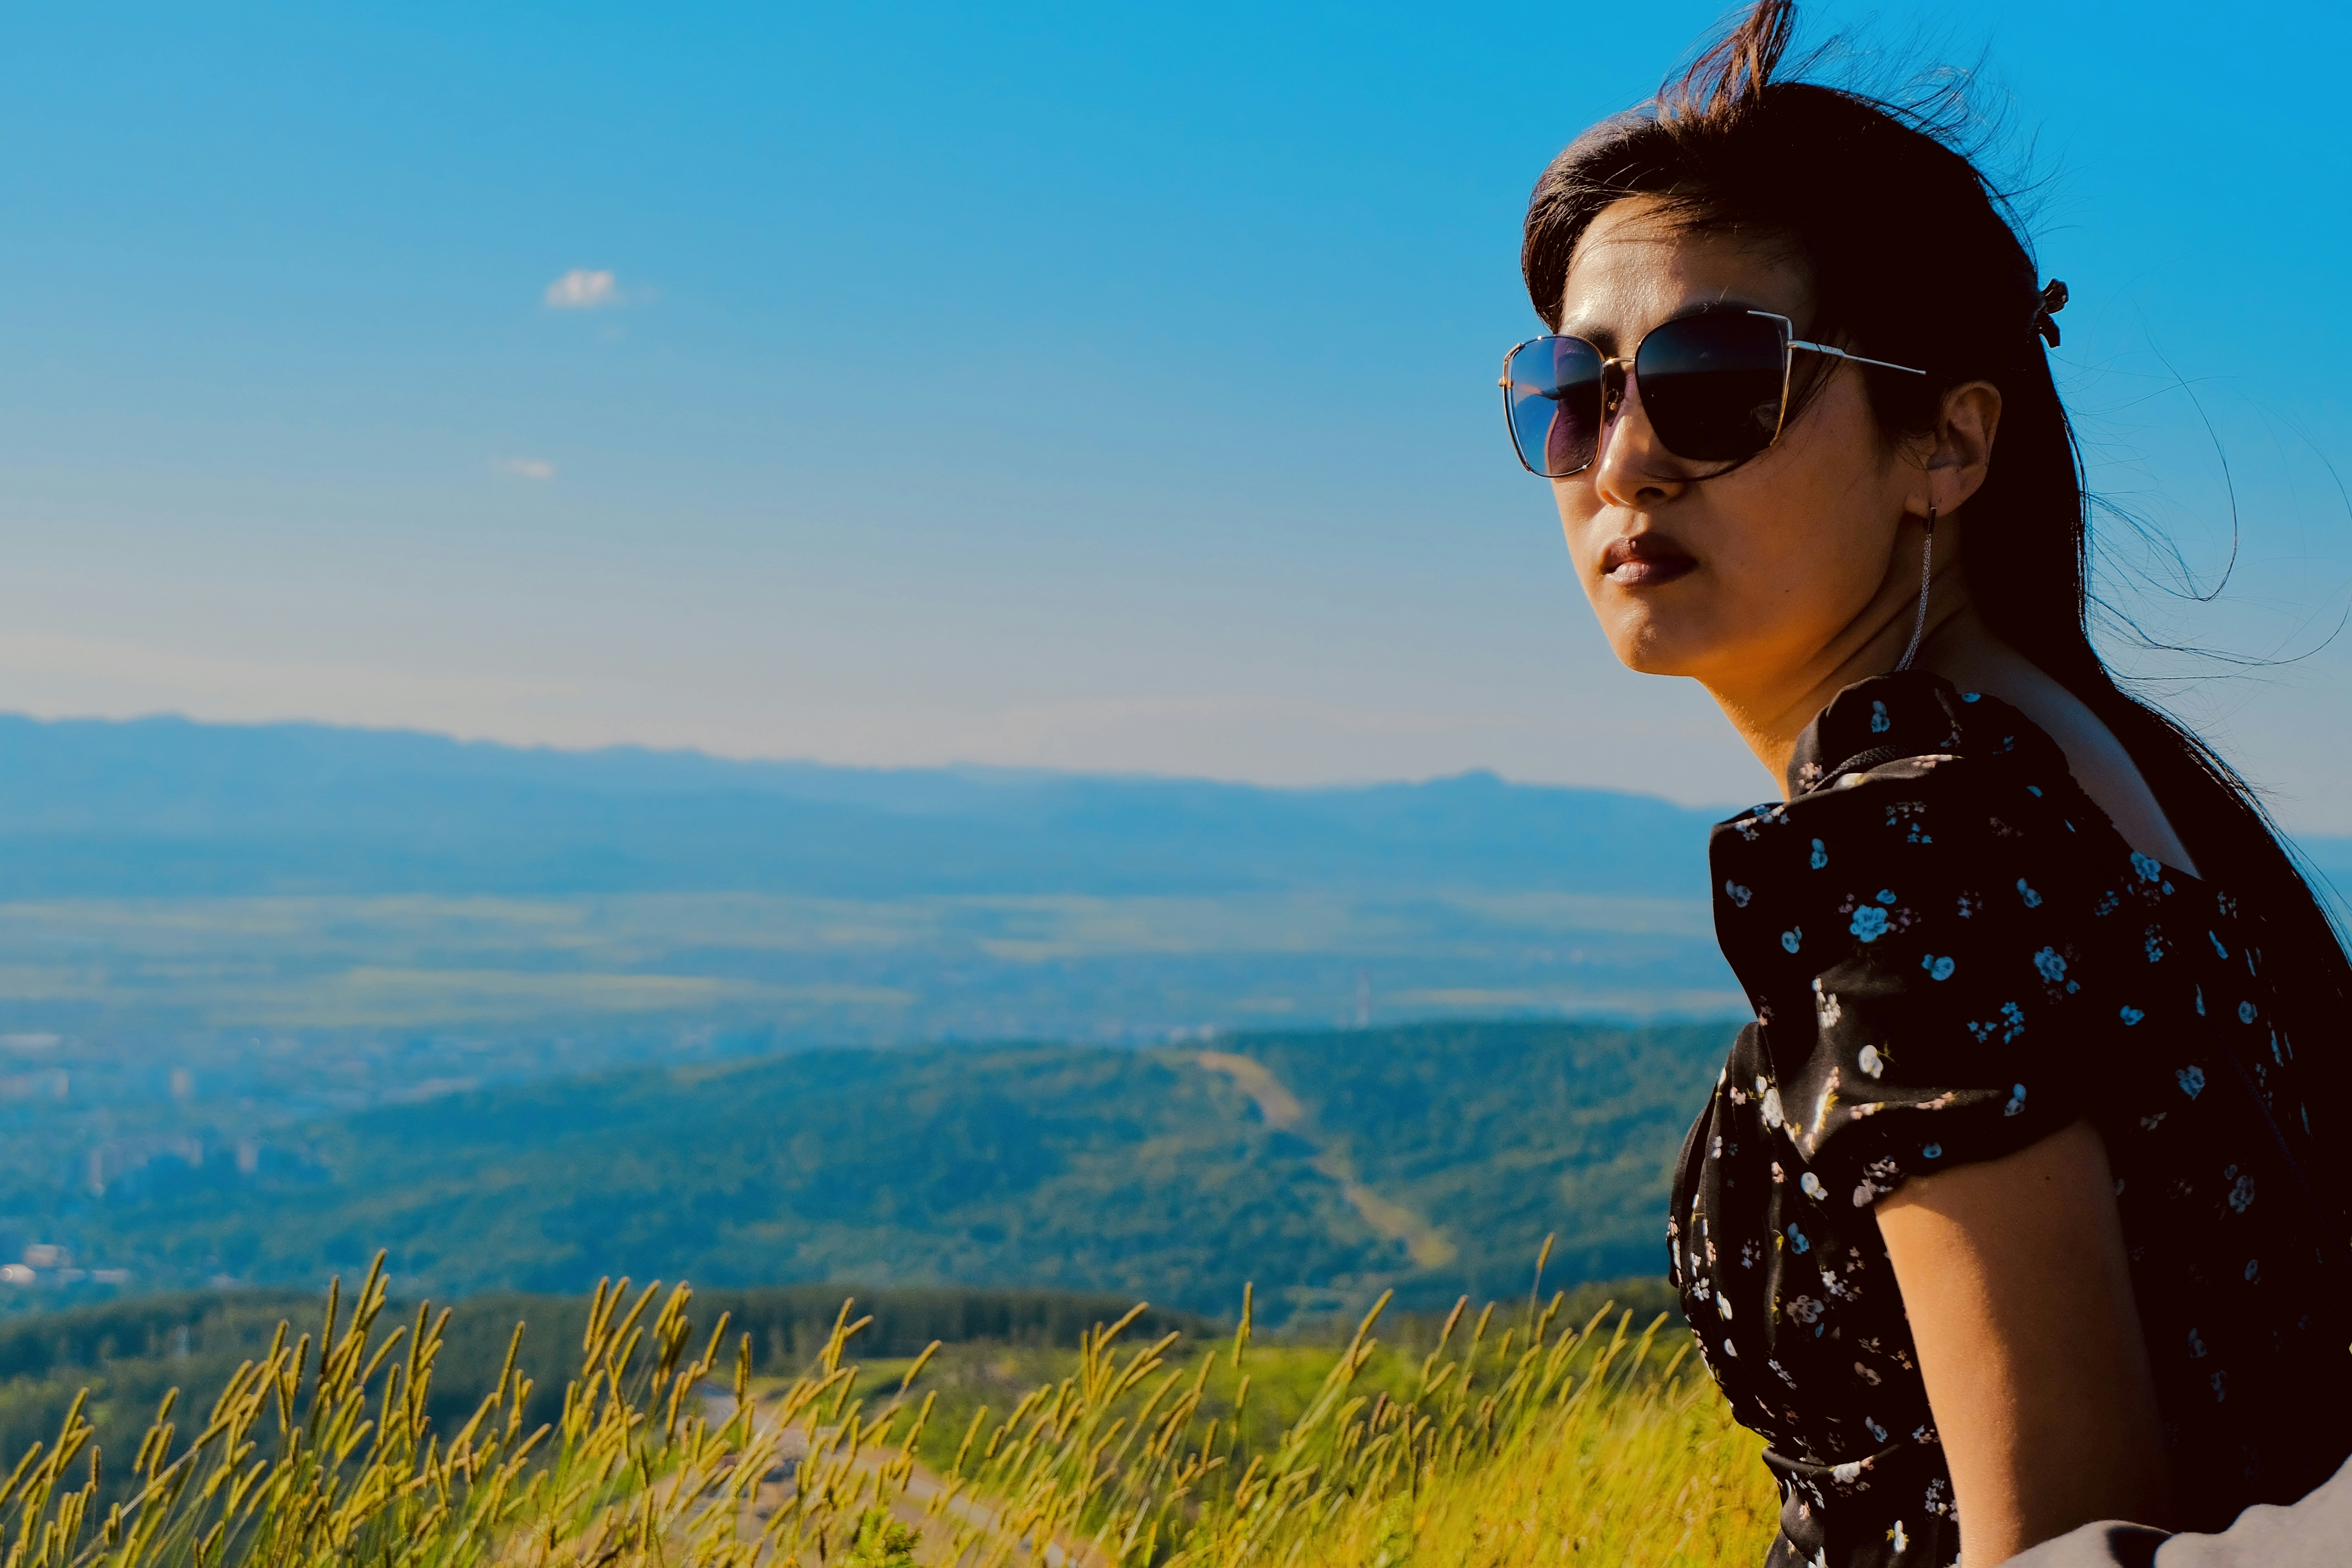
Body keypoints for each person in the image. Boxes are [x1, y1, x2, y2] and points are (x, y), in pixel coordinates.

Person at [1501, 3, 2352, 1564]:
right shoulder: (2104, 780)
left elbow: (2058, 1533)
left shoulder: (1910, 828)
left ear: (1947, 445)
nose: (1622, 458)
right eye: (1574, 390)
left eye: (1711, 376)